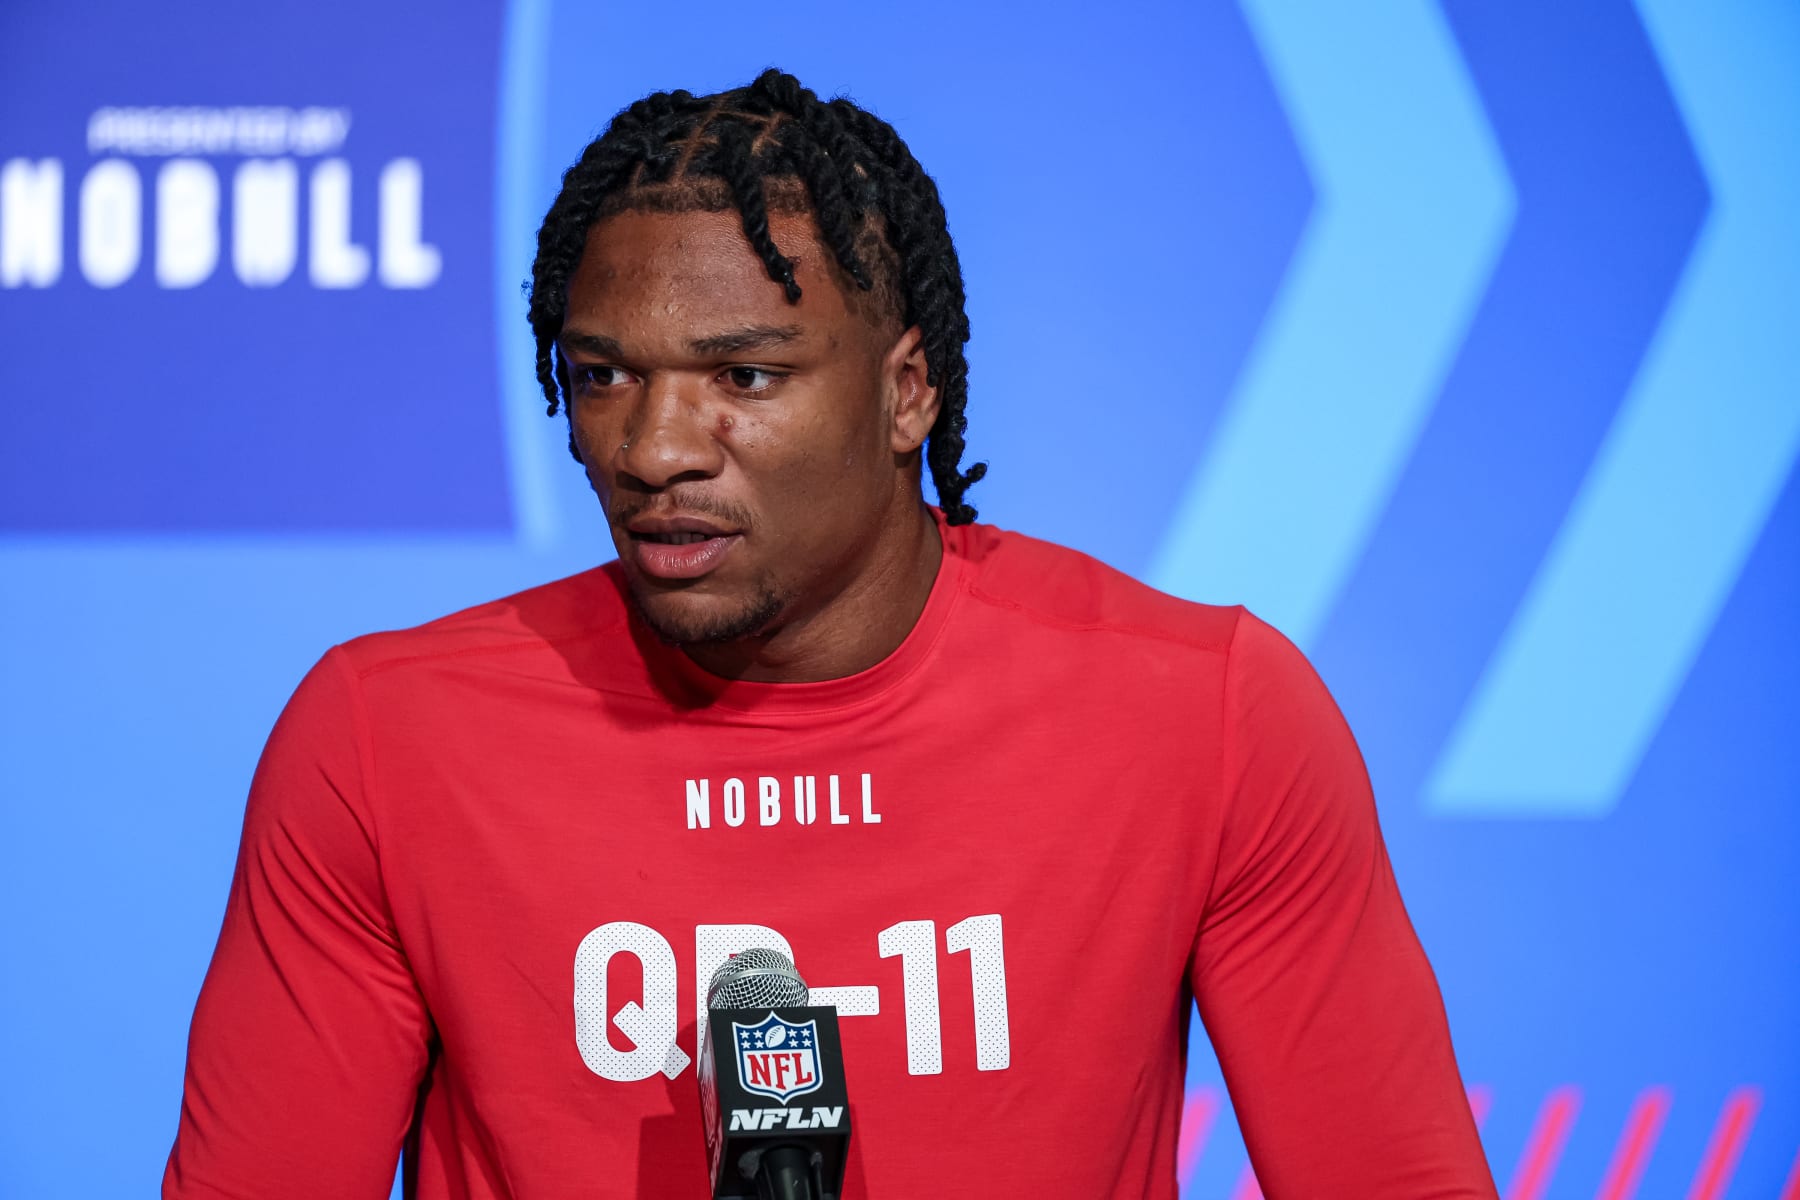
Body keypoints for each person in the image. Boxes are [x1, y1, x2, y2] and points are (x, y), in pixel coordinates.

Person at [163, 69, 1497, 1199]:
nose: (654, 448)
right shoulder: (387, 742)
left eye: (746, 376)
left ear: (906, 390)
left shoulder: (1205, 714)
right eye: (603, 374)